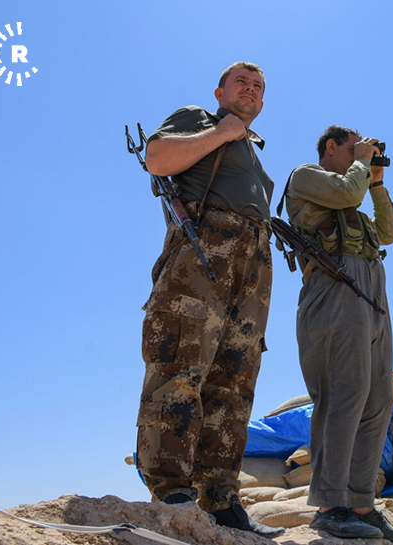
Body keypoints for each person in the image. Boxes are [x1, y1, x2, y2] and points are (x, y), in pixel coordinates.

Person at [135, 62, 283, 539]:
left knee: (234, 382)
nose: (250, 89)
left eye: (258, 86)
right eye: (241, 81)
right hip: (204, 252)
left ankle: (221, 498)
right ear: (219, 92)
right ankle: (172, 492)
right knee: (180, 368)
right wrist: (222, 133)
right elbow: (157, 159)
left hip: (253, 265)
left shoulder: (255, 152)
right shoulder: (198, 119)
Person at [284, 126, 393, 542]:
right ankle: (330, 506)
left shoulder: (355, 192)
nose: (363, 151)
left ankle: (360, 504)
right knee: (344, 394)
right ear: (331, 147)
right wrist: (361, 166)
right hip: (335, 290)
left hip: (372, 296)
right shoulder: (307, 177)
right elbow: (345, 194)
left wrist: (377, 183)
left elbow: (388, 233)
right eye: (354, 146)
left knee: (377, 400)